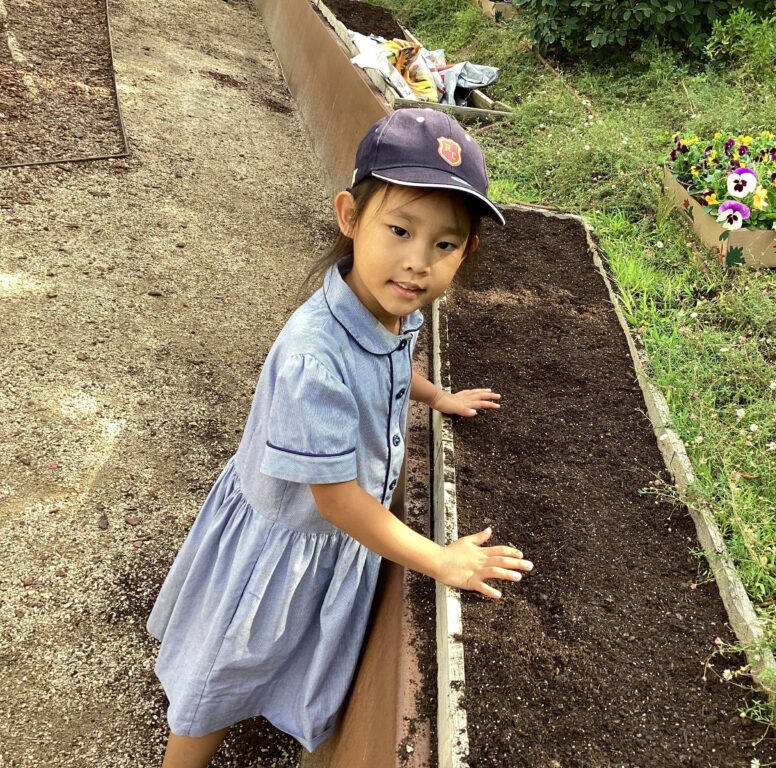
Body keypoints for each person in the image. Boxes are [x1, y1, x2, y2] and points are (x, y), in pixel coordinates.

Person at [146, 109, 533, 768]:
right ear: (350, 216)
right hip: (284, 542)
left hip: (325, 543)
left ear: (466, 252)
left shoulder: (388, 306)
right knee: (224, 671)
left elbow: (388, 360)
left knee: (285, 651)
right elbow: (336, 501)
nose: (417, 263)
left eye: (444, 244)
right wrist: (439, 560)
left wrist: (438, 396)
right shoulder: (311, 356)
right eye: (400, 230)